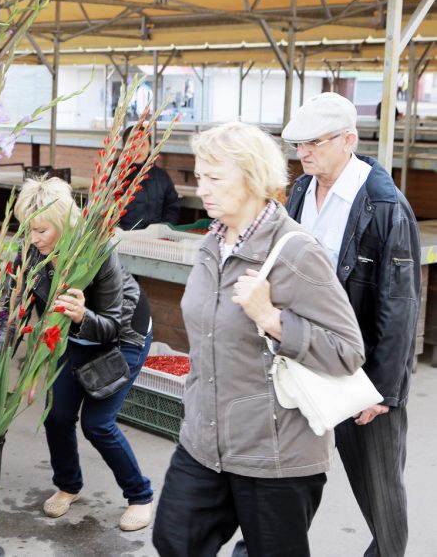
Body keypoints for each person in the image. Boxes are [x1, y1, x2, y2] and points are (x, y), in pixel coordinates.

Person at [152, 122, 366, 557]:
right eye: (199, 176)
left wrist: (272, 318)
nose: (201, 188)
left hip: (275, 455)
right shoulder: (212, 243)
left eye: (214, 178)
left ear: (251, 177)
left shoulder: (296, 250)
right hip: (204, 441)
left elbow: (348, 351)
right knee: (175, 540)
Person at [283, 93, 421, 557]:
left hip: (360, 371)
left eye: (314, 143)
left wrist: (381, 389)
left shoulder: (384, 205)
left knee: (380, 496)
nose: (303, 153)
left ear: (348, 140)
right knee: (290, 480)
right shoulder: (301, 191)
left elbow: (399, 303)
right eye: (299, 144)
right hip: (306, 358)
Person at [13, 176, 155, 532]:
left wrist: (81, 316)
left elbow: (110, 324)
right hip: (71, 336)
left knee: (97, 423)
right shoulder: (32, 252)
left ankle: (140, 495)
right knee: (56, 415)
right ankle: (68, 485)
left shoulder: (98, 251)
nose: (33, 239)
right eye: (29, 231)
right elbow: (13, 310)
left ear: (63, 224)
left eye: (42, 231)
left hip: (121, 335)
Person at [116, 125, 181, 231]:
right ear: (124, 146)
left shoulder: (162, 177)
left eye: (143, 145)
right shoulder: (112, 177)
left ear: (150, 146)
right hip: (120, 240)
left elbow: (172, 208)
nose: (137, 150)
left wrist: (162, 230)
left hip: (153, 241)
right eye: (132, 144)